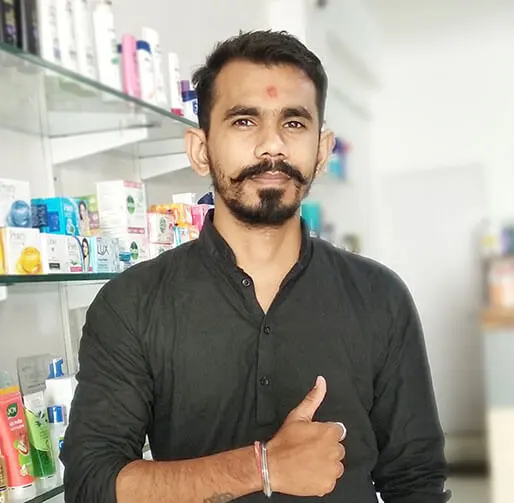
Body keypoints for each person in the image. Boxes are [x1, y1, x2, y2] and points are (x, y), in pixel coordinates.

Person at [62, 30, 449, 503]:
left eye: (294, 122)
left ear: (322, 150)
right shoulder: (132, 304)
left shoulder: (380, 297)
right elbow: (91, 483)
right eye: (244, 121)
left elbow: (417, 482)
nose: (272, 146)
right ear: (200, 149)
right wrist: (263, 466)